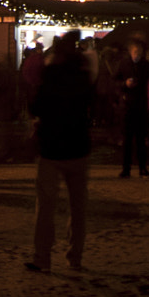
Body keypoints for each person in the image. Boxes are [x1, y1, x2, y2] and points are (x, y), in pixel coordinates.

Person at [28, 31, 96, 272]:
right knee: (78, 208)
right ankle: (74, 257)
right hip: (79, 146)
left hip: (52, 149)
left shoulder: (51, 75)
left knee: (45, 207)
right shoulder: (84, 75)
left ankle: (42, 258)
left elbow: (35, 105)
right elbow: (93, 105)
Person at [115, 38, 149, 177]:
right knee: (127, 139)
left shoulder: (145, 64)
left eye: (139, 52)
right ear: (131, 52)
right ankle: (126, 168)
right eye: (135, 51)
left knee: (141, 139)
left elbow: (146, 79)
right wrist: (125, 84)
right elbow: (116, 81)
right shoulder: (124, 64)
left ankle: (143, 168)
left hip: (140, 105)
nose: (137, 54)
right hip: (127, 106)